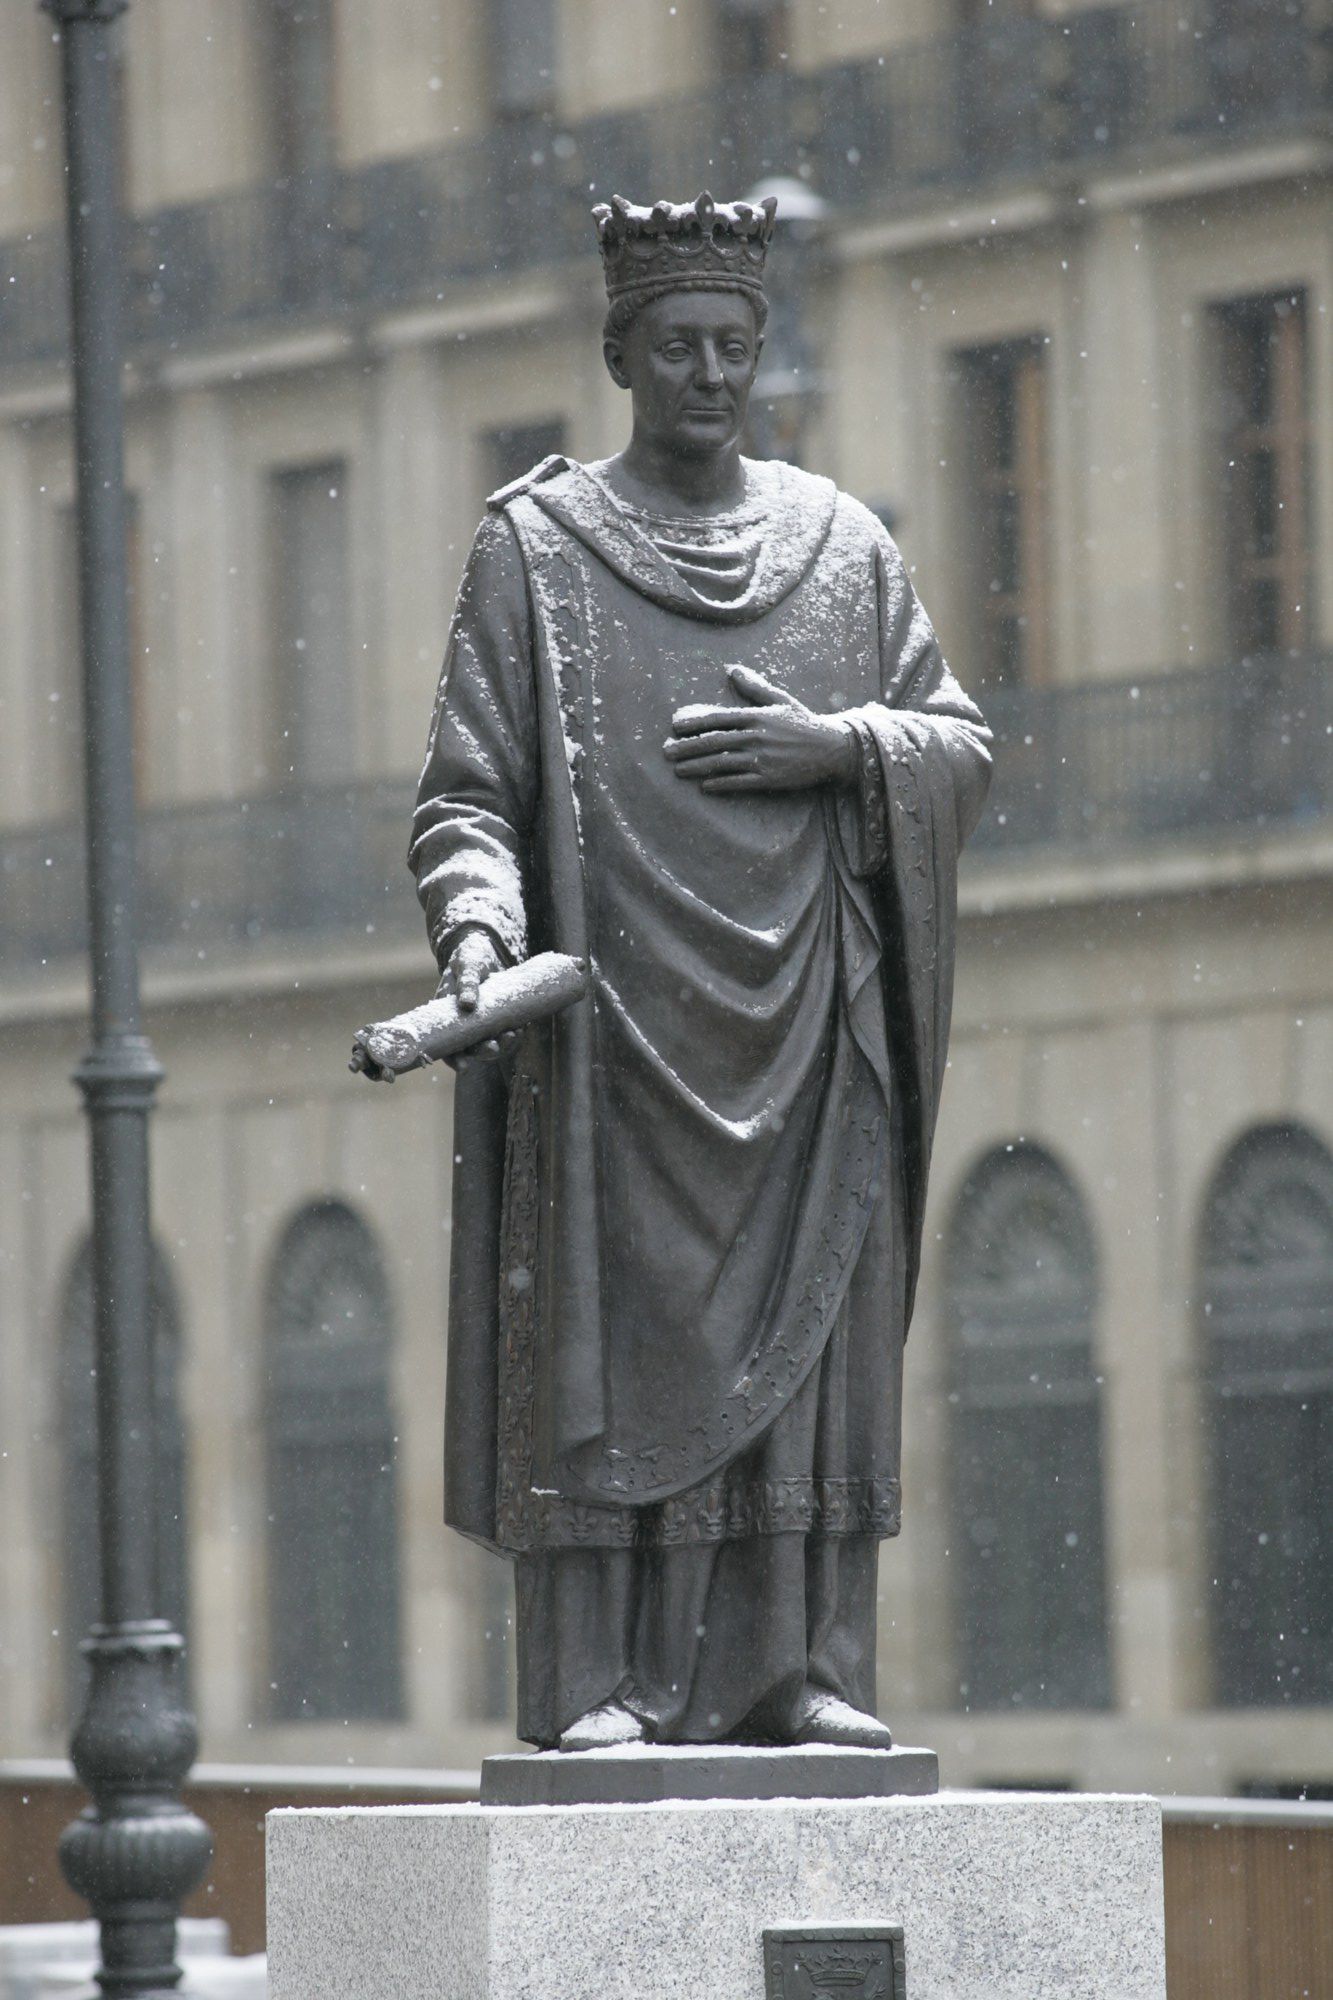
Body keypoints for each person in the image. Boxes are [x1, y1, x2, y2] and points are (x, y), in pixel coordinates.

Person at [409, 192, 991, 1752]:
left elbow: (954, 741)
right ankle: (603, 1681)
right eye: (678, 347)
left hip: (804, 1030)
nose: (713, 374)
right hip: (615, 1045)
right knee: (613, 1350)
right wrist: (476, 923)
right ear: (621, 356)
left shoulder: (843, 550)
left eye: (735, 345)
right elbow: (467, 791)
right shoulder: (534, 551)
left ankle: (795, 1671)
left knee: (805, 1352)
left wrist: (838, 746)